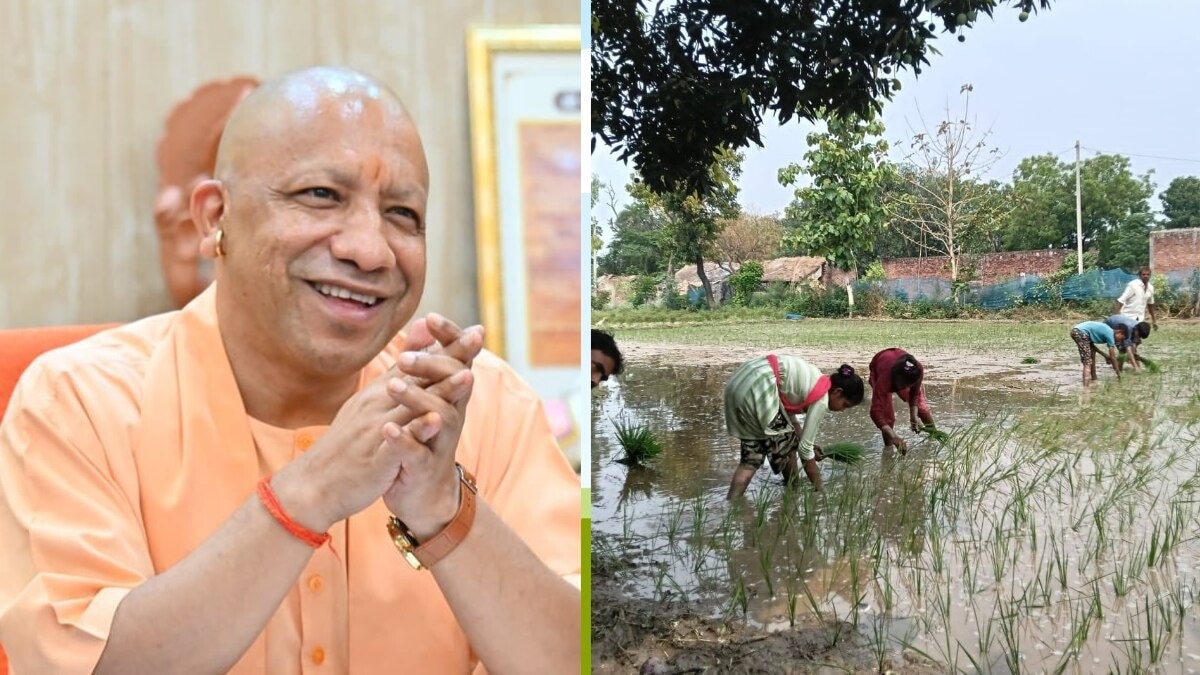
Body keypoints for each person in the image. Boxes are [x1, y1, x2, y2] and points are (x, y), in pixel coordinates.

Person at [0, 67, 579, 674]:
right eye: (321, 196)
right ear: (213, 216)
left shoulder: (481, 406)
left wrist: (442, 508)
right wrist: (312, 492)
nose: (370, 249)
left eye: (403, 214)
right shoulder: (78, 403)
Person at [723, 356, 864, 498]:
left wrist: (809, 444)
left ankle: (733, 504)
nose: (842, 410)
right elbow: (804, 450)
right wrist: (820, 489)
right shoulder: (822, 399)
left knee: (751, 460)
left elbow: (789, 420)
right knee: (788, 445)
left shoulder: (815, 379)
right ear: (837, 392)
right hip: (759, 387)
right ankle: (793, 488)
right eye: (845, 405)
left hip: (740, 382)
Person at [868, 349, 936, 455]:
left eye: (906, 385)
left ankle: (934, 436)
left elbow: (914, 394)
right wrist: (894, 436)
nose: (901, 388)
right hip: (880, 367)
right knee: (888, 418)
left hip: (899, 372)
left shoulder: (917, 371)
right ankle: (888, 449)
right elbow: (875, 412)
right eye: (901, 384)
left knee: (921, 409)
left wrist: (913, 417)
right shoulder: (885, 378)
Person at [1071, 320, 1127, 385]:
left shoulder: (1108, 331)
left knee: (1092, 354)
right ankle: (1086, 388)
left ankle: (1094, 378)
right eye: (1121, 338)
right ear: (1119, 332)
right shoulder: (1110, 334)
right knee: (1087, 362)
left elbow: (1092, 346)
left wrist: (1104, 355)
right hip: (1080, 332)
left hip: (1078, 331)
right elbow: (1113, 358)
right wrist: (1119, 375)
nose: (1120, 341)